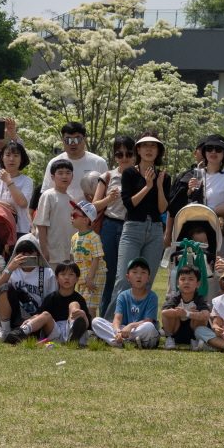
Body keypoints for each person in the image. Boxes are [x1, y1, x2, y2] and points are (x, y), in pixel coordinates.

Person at [114, 134, 171, 290]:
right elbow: (129, 204)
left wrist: (158, 186)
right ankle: (115, 315)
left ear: (158, 151)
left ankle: (143, 315)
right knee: (124, 280)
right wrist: (147, 185)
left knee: (147, 281)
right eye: (145, 146)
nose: (149, 150)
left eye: (153, 146)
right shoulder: (129, 173)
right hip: (133, 229)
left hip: (155, 230)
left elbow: (162, 209)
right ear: (138, 150)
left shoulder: (164, 177)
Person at [174, 135, 224, 257]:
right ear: (204, 152)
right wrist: (189, 191)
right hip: (196, 230)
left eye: (218, 149)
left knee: (220, 268)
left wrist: (210, 210)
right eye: (209, 148)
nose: (213, 152)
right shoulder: (197, 174)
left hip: (218, 229)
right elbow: (180, 204)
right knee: (194, 269)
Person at [91, 135, 134, 319]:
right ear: (114, 155)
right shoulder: (107, 176)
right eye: (119, 154)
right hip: (109, 225)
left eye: (128, 153)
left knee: (128, 276)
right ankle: (105, 319)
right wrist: (109, 198)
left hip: (131, 226)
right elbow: (94, 206)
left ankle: (124, 317)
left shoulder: (139, 175)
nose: (124, 157)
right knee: (108, 276)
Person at [9, 261, 92, 345]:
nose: (67, 277)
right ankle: (21, 332)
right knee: (45, 314)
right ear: (57, 278)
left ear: (77, 279)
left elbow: (87, 325)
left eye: (71, 274)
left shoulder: (79, 299)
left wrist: (83, 315)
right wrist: (30, 320)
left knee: (74, 304)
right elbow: (39, 314)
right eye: (63, 274)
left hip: (70, 328)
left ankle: (74, 331)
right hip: (55, 332)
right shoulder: (51, 297)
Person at [92, 258, 161, 348]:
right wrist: (117, 331)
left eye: (143, 273)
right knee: (96, 321)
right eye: (135, 272)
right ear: (128, 277)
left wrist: (131, 326)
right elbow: (117, 319)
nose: (139, 276)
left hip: (139, 328)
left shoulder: (152, 296)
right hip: (124, 330)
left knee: (149, 327)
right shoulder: (123, 295)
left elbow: (149, 320)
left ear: (148, 278)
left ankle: (117, 341)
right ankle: (125, 340)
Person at [46, 121, 107, 206]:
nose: (73, 143)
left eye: (77, 139)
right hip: (61, 213)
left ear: (84, 140)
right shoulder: (54, 163)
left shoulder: (99, 162)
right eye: (68, 140)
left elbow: (107, 193)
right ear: (62, 141)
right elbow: (47, 193)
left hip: (90, 215)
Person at [33, 159, 78, 267]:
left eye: (68, 173)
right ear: (52, 177)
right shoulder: (48, 195)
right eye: (60, 173)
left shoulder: (71, 199)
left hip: (66, 254)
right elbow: (41, 224)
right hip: (51, 254)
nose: (64, 176)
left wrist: (72, 253)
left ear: (72, 176)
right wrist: (44, 250)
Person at [160, 264, 214, 350]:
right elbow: (164, 312)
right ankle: (169, 338)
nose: (186, 282)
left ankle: (197, 340)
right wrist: (181, 313)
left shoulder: (199, 299)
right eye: (183, 279)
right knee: (169, 313)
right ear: (178, 283)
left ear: (198, 284)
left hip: (193, 332)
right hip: (176, 331)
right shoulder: (175, 298)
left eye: (191, 279)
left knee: (200, 315)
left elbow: (206, 315)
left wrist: (187, 313)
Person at [67, 201, 103, 312]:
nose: (72, 217)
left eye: (75, 215)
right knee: (82, 305)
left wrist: (90, 278)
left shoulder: (94, 237)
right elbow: (72, 257)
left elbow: (96, 258)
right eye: (71, 215)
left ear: (86, 220)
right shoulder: (74, 237)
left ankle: (91, 328)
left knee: (89, 308)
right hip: (82, 278)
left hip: (95, 276)